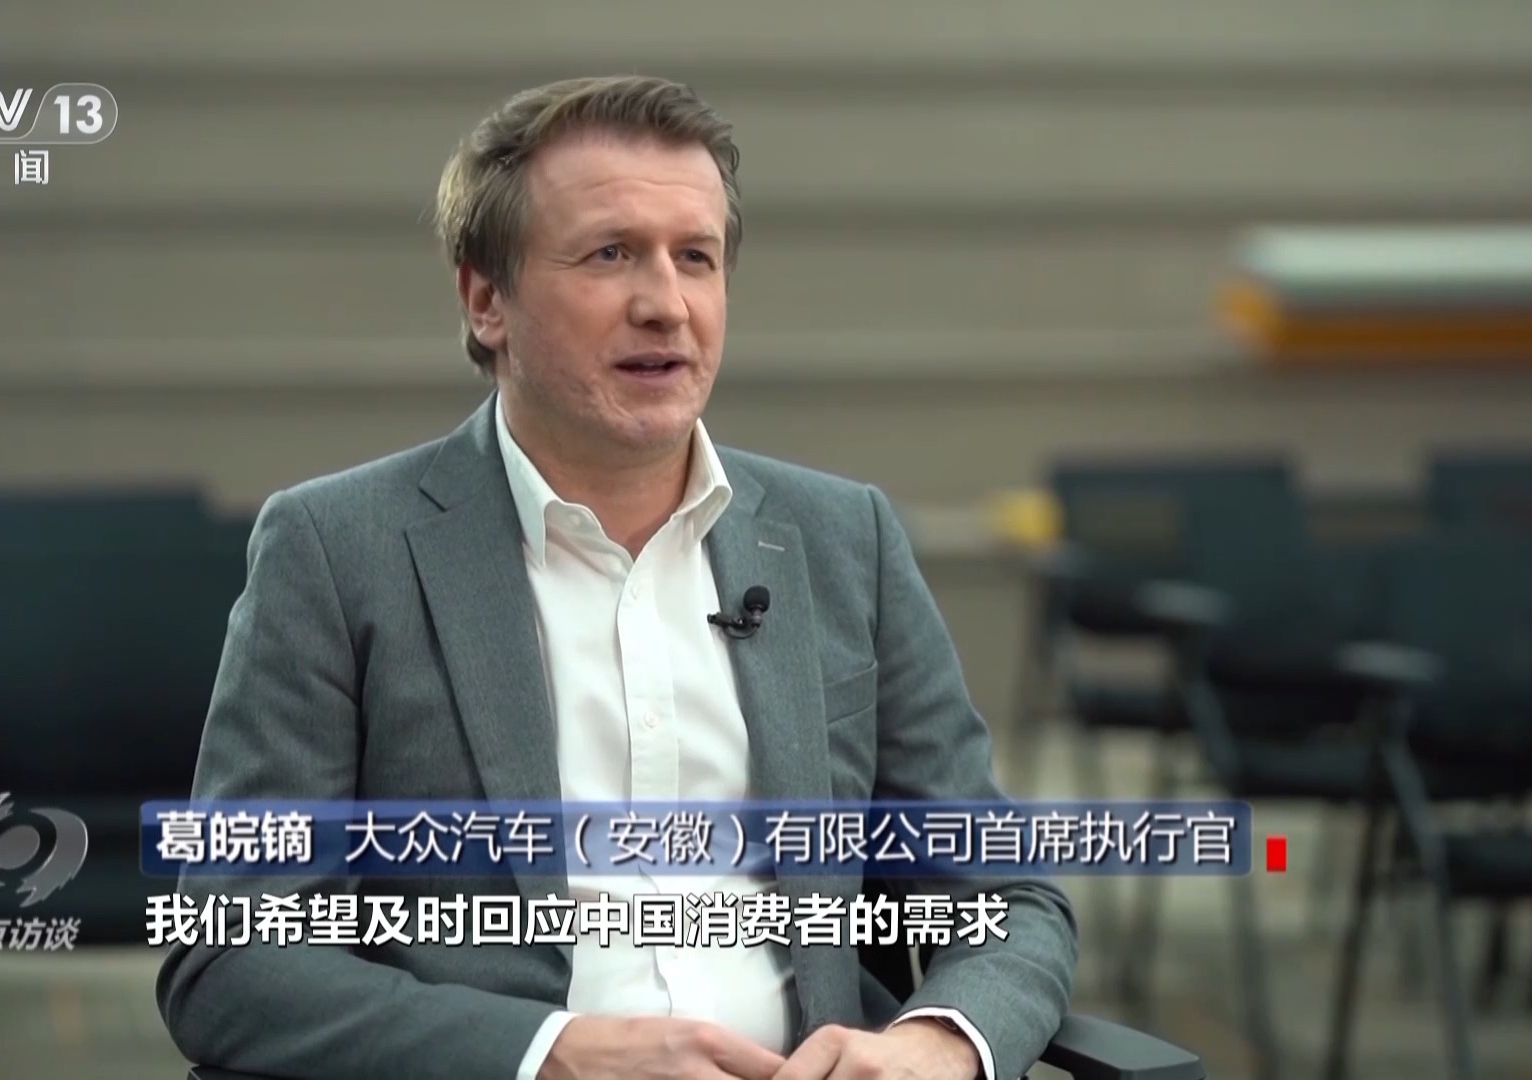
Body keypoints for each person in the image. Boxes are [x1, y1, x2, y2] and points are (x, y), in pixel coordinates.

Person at [156, 74, 1078, 1080]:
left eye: (696, 258)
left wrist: (938, 1042)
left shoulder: (843, 539)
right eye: (610, 255)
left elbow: (1009, 895)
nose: (665, 305)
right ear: (486, 298)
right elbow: (229, 956)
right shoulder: (338, 551)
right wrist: (547, 1053)